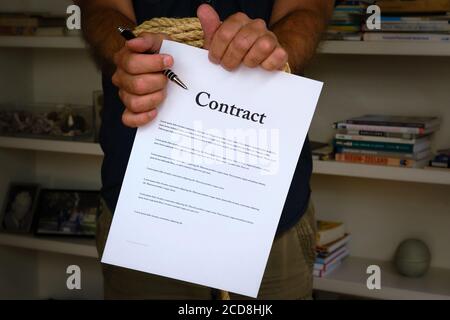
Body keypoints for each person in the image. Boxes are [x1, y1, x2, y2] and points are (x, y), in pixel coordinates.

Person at [77, 0, 334, 299]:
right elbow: (101, 10)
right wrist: (126, 50)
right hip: (142, 206)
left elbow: (307, 10)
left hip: (271, 209)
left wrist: (272, 51)